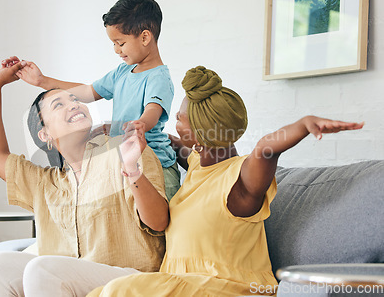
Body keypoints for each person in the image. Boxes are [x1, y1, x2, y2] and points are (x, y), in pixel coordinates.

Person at [87, 66, 364, 296]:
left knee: (123, 291)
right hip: (181, 286)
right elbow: (173, 144)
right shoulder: (198, 165)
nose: (176, 122)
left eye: (181, 119)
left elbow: (265, 149)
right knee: (103, 291)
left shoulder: (240, 183)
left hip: (231, 290)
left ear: (200, 133)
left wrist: (303, 125)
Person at [0, 61, 169, 296]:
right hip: (68, 278)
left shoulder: (125, 150)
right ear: (45, 134)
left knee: (42, 268)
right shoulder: (45, 183)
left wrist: (132, 169)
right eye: (59, 104)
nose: (74, 105)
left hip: (129, 278)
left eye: (75, 100)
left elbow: (159, 222)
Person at [3, 0, 181, 201]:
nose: (116, 50)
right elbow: (88, 92)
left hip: (158, 164)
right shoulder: (122, 72)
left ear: (144, 37)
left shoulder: (158, 78)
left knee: (162, 220)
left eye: (121, 43)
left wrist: (141, 123)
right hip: (126, 161)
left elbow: (153, 108)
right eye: (113, 43)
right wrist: (42, 81)